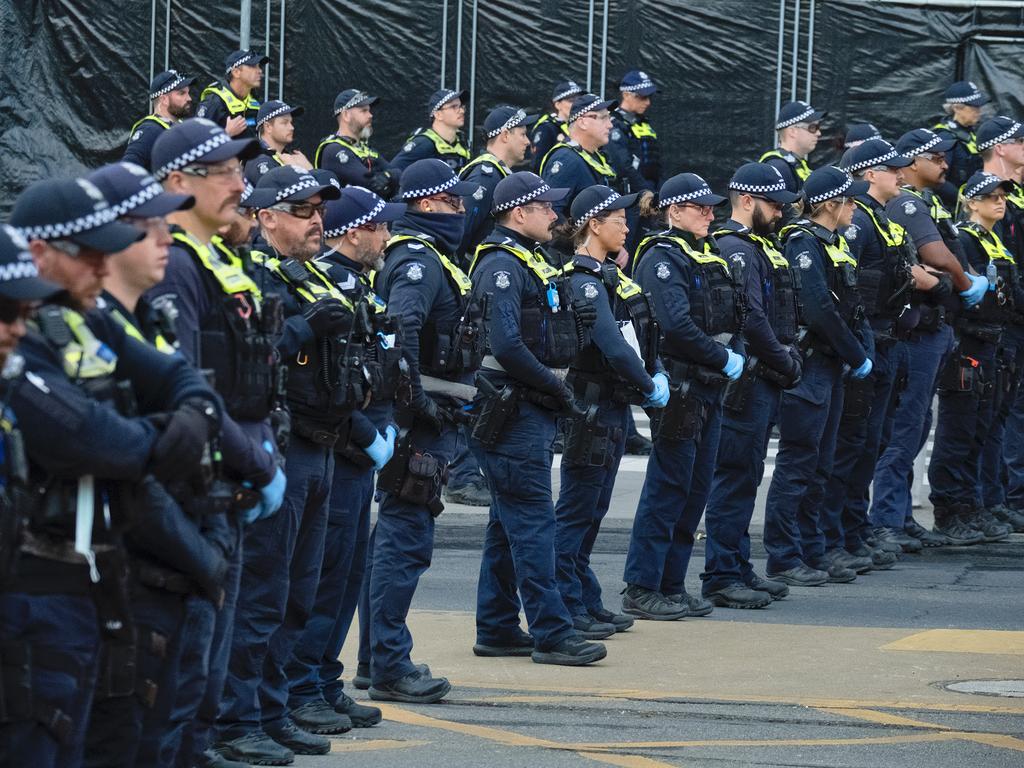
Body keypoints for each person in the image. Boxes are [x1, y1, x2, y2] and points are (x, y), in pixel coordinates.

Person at [6, 177, 222, 768]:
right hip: (38, 585)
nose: (104, 264)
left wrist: (184, 421)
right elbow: (91, 441)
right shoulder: (21, 342)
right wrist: (163, 438)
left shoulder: (84, 320)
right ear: (41, 253)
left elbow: (191, 387)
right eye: (90, 251)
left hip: (94, 578)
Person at [147, 119, 291, 768]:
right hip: (200, 493)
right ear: (178, 182)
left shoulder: (217, 261)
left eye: (241, 171)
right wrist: (257, 462)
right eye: (226, 173)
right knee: (179, 682)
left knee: (203, 681)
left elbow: (250, 377)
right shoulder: (175, 266)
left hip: (232, 489)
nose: (242, 185)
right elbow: (188, 391)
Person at [217, 165, 365, 761]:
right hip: (285, 445)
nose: (317, 220)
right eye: (303, 210)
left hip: (324, 445)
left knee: (297, 592)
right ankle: (236, 718)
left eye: (320, 210)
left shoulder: (304, 275)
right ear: (267, 216)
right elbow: (246, 361)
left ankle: (272, 708)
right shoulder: (252, 277)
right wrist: (305, 328)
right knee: (261, 592)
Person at [469, 171, 609, 666]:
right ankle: (552, 632)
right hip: (516, 410)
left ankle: (498, 626)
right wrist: (556, 386)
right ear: (518, 213)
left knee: (509, 526)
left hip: (527, 407)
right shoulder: (502, 266)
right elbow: (506, 345)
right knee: (533, 524)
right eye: (545, 207)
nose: (554, 214)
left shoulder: (529, 260)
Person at [284, 185, 406, 732]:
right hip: (340, 443)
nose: (387, 235)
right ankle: (301, 685)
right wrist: (366, 430)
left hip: (359, 445)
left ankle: (324, 680)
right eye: (380, 226)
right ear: (354, 231)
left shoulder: (357, 282)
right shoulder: (320, 282)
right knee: (324, 577)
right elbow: (316, 376)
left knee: (348, 571)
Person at [367, 159, 482, 702]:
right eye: (455, 201)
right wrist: (416, 405)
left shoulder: (433, 256)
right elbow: (401, 332)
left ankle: (376, 659)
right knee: (404, 540)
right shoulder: (417, 261)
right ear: (430, 204)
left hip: (431, 414)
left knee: (396, 537)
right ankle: (388, 664)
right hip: (420, 422)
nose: (464, 209)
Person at [622, 173, 743, 618]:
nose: (711, 214)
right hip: (680, 385)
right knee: (669, 486)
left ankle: (671, 582)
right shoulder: (661, 257)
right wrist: (722, 356)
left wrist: (732, 355)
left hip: (708, 383)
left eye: (713, 207)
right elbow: (674, 324)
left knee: (695, 488)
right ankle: (642, 584)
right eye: (701, 208)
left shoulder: (703, 254)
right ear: (675, 211)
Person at [868, 128, 990, 549]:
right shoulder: (907, 202)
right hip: (918, 332)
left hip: (936, 326)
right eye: (936, 158)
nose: (944, 164)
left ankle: (899, 517)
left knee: (918, 426)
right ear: (913, 162)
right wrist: (962, 279)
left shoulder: (929, 202)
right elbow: (934, 255)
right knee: (904, 429)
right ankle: (885, 519)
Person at [556, 184, 666, 634]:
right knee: (578, 508)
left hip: (614, 406)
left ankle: (584, 595)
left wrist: (650, 375)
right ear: (594, 225)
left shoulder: (609, 276)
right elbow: (613, 345)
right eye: (617, 220)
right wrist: (648, 386)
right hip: (591, 408)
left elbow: (640, 335)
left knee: (596, 507)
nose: (626, 225)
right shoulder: (581, 280)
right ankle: (566, 602)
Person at [762, 166, 874, 586]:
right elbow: (817, 308)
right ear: (830, 203)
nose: (854, 207)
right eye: (849, 200)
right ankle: (783, 556)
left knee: (820, 465)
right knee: (798, 464)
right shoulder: (803, 243)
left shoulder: (831, 242)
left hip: (830, 366)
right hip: (810, 366)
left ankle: (814, 549)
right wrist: (856, 352)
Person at [699, 163, 802, 609]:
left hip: (764, 374)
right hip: (751, 377)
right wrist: (784, 360)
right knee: (735, 476)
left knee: (748, 474)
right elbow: (751, 316)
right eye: (773, 203)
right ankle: (721, 573)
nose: (779, 212)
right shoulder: (735, 248)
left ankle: (737, 565)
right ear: (746, 200)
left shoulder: (758, 245)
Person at [820, 139, 924, 575]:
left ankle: (853, 528)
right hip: (868, 346)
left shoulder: (878, 219)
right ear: (868, 175)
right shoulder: (857, 223)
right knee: (850, 445)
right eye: (891, 169)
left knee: (870, 443)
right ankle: (836, 535)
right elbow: (845, 293)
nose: (901, 175)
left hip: (887, 342)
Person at [928, 171, 1017, 544]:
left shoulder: (993, 239)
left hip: (993, 343)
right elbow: (974, 297)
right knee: (958, 430)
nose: (1001, 201)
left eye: (1003, 196)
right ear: (971, 203)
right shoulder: (963, 239)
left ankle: (973, 503)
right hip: (969, 345)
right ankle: (950, 511)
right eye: (991, 196)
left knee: (982, 430)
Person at [973, 116, 1024, 533]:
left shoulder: (1011, 197)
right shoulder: (980, 199)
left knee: (1002, 414)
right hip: (998, 323)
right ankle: (984, 499)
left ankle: (997, 496)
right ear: (1000, 147)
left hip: (1012, 318)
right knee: (985, 417)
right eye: (1019, 141)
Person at [457, 105, 534, 264]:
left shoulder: (499, 173)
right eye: (523, 134)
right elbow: (463, 231)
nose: (527, 142)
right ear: (505, 135)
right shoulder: (486, 177)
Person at [539, 93, 620, 221]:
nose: (610, 125)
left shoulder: (596, 155)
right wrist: (578, 239)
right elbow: (550, 214)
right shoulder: (566, 159)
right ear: (582, 122)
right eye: (603, 118)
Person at [315, 89, 398, 198]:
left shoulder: (365, 148)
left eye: (369, 110)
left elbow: (400, 174)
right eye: (364, 111)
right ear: (346, 115)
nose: (370, 115)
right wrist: (390, 178)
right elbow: (373, 185)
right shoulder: (334, 149)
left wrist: (389, 176)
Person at [932, 80, 989, 209]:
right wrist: (964, 200)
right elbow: (937, 180)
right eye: (974, 107)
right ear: (957, 108)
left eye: (979, 107)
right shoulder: (945, 136)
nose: (979, 111)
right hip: (953, 209)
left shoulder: (970, 133)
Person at [124, 69, 195, 170]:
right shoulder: (149, 130)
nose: (189, 98)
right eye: (182, 93)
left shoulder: (179, 126)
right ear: (164, 99)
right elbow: (127, 171)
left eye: (188, 92)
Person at [390, 89, 470, 174]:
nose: (462, 111)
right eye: (454, 107)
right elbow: (392, 172)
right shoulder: (423, 143)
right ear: (438, 115)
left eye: (461, 106)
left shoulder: (463, 141)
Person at [607, 70, 660, 192]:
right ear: (626, 95)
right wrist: (646, 193)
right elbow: (623, 166)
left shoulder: (643, 123)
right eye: (642, 97)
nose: (648, 102)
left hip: (651, 190)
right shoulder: (614, 123)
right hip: (631, 196)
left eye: (649, 97)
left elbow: (655, 162)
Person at [196, 49, 268, 139]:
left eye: (259, 66)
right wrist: (226, 133)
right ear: (236, 72)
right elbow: (197, 140)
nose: (260, 71)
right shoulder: (214, 101)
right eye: (253, 66)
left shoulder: (254, 99)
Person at [760, 100, 826, 194]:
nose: (819, 133)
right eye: (813, 127)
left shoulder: (797, 163)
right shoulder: (777, 166)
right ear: (792, 131)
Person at [244, 100, 311, 184]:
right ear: (268, 127)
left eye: (291, 122)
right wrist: (299, 170)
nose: (292, 127)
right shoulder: (260, 161)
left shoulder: (288, 157)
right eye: (284, 123)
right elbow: (280, 195)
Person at [531, 80, 583, 172]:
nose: (576, 104)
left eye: (579, 99)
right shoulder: (547, 128)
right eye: (571, 101)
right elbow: (538, 165)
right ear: (558, 105)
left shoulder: (580, 124)